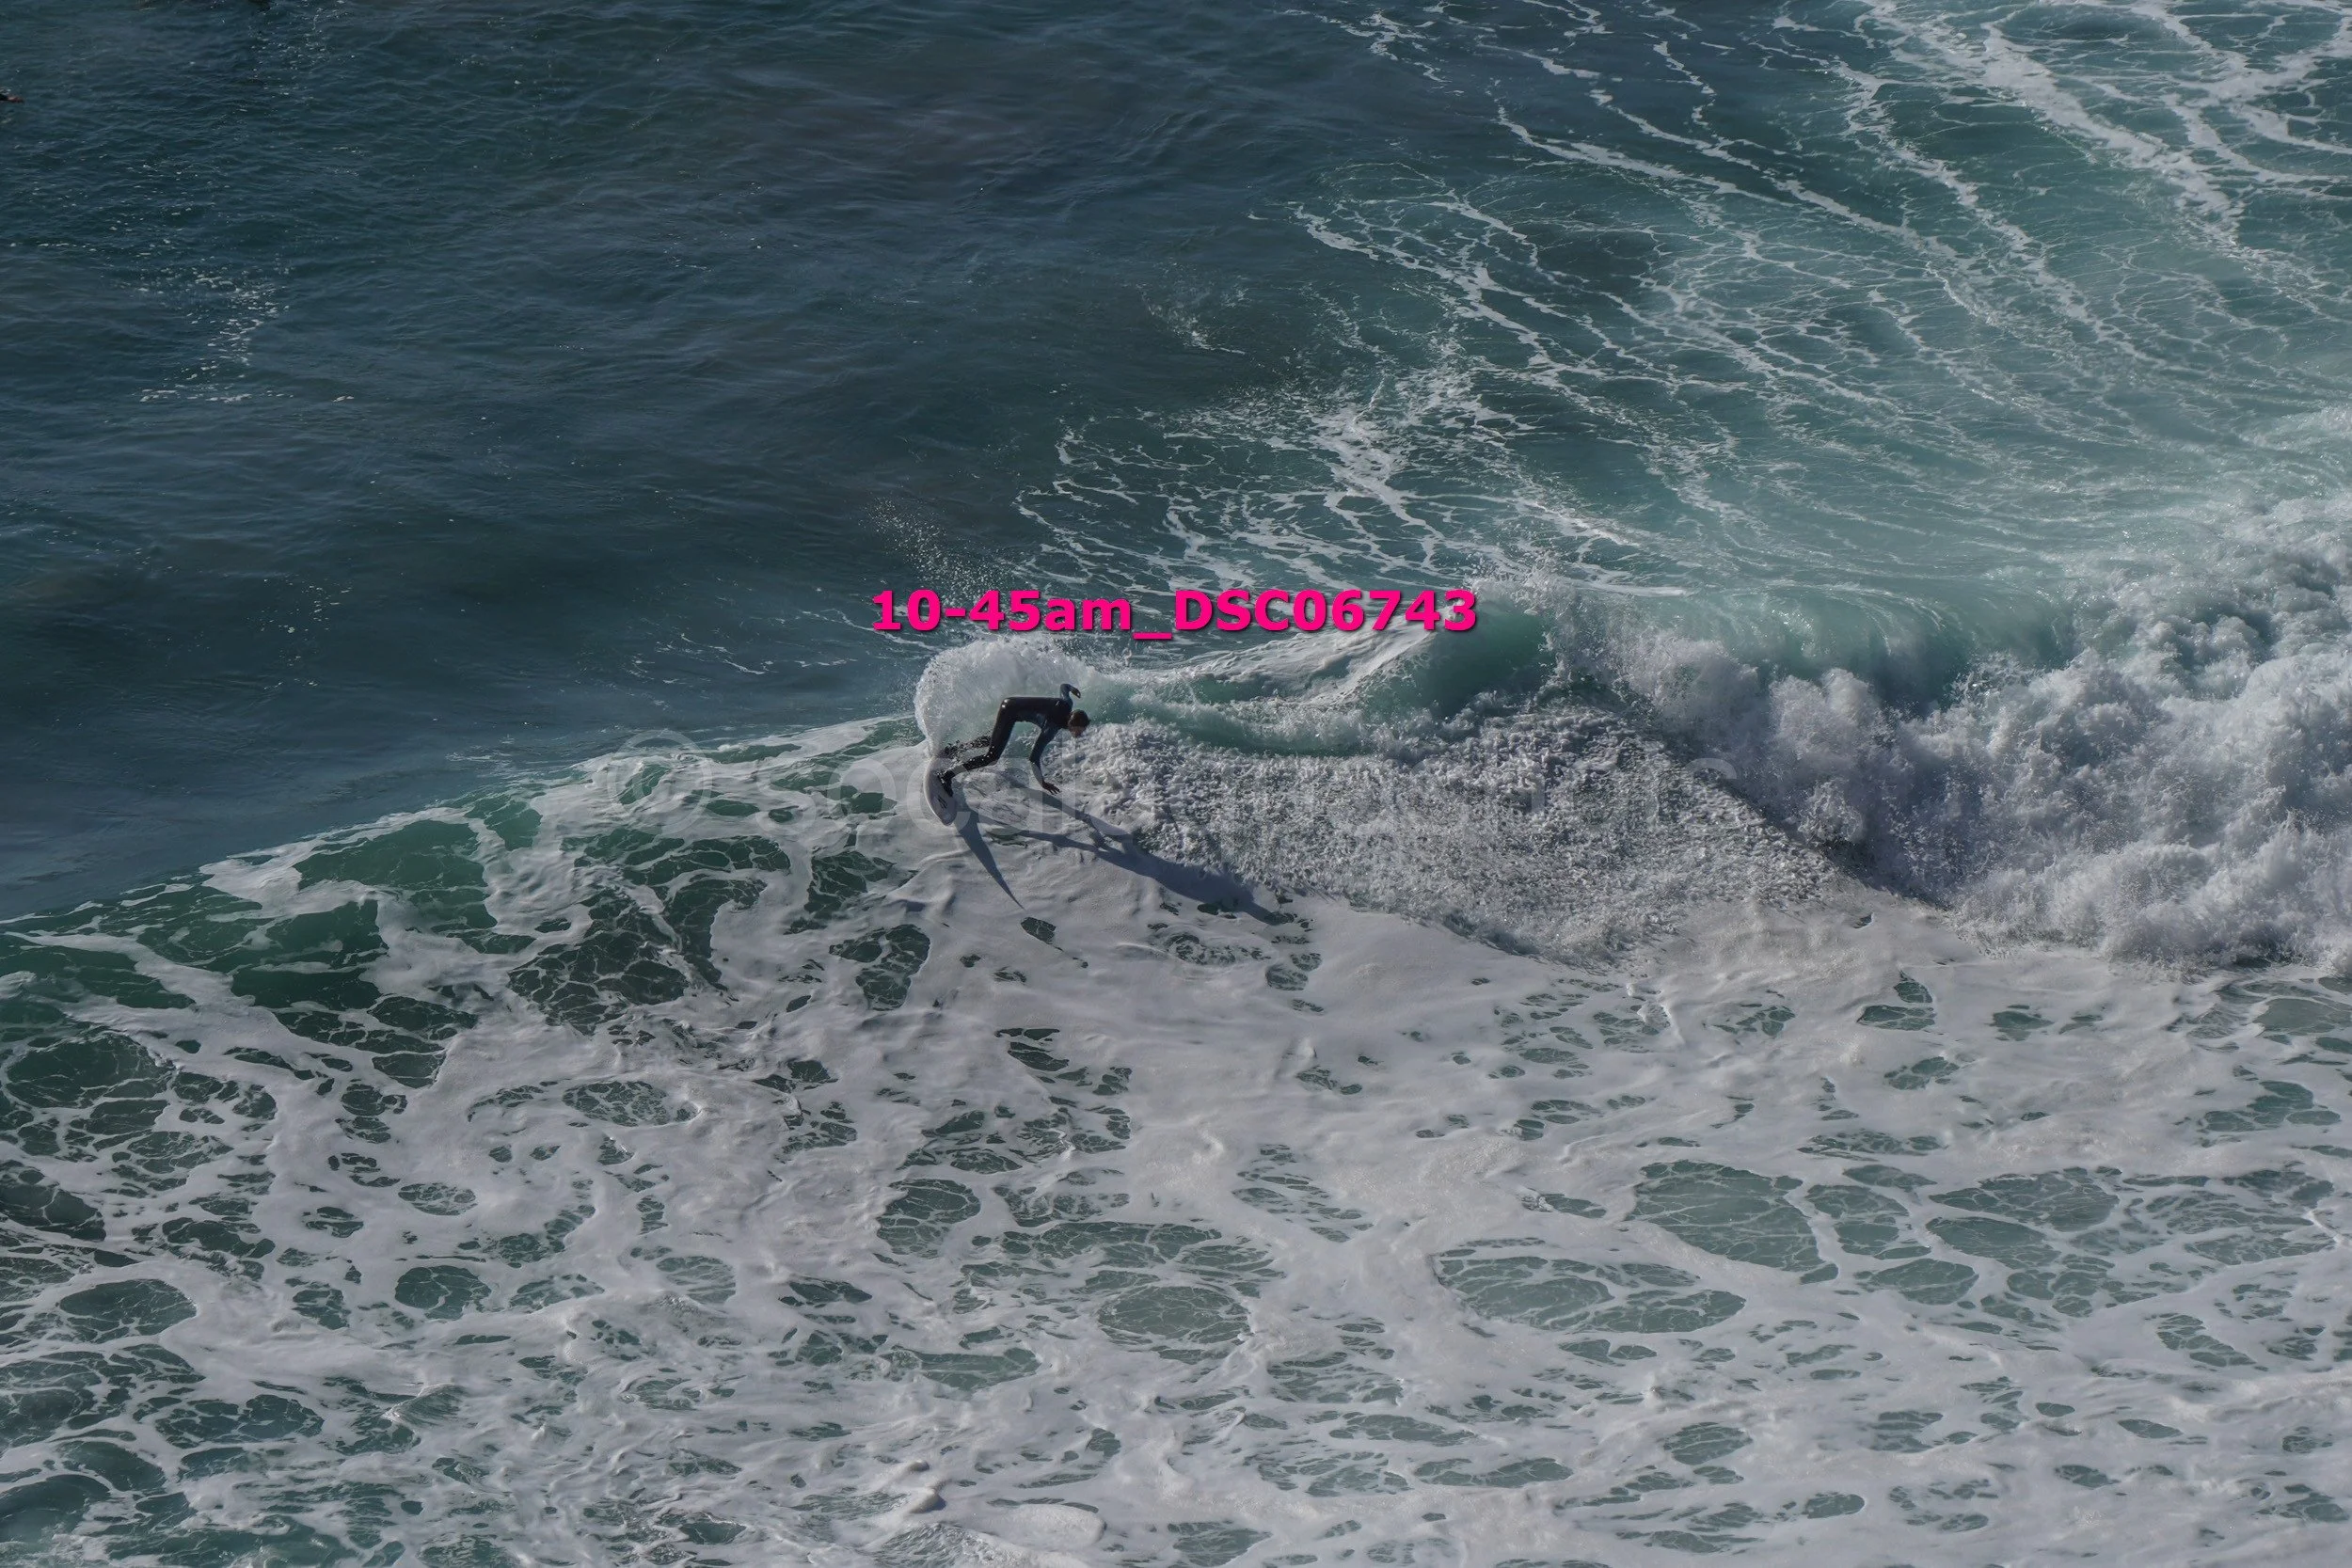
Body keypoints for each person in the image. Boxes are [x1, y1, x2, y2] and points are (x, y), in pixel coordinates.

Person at [938, 684, 1089, 798]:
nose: (1080, 734)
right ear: (1071, 724)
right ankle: (948, 775)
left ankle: (956, 749)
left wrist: (1072, 688)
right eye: (1079, 730)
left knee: (994, 739)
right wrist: (1042, 782)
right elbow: (1033, 758)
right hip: (1009, 711)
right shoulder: (1051, 728)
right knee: (991, 757)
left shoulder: (1067, 704)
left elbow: (1064, 687)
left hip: (1011, 704)